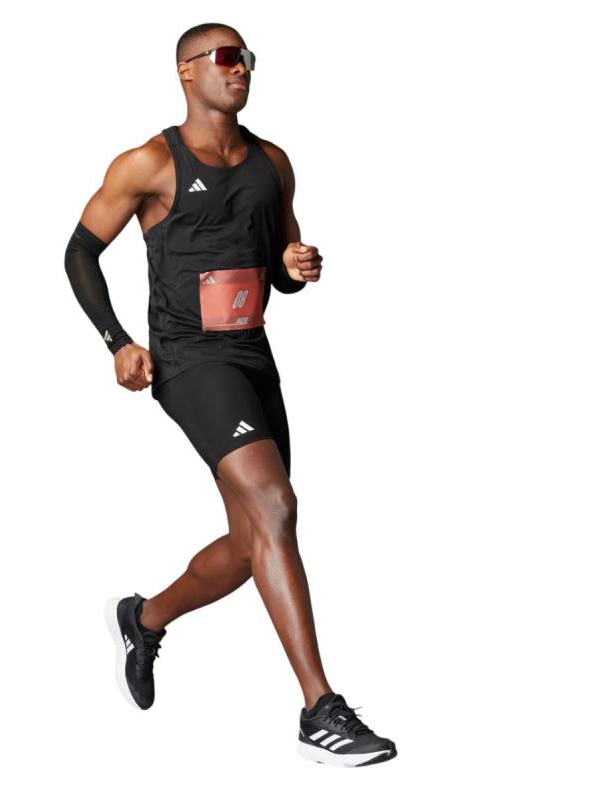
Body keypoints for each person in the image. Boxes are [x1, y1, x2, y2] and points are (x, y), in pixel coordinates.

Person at [65, 23, 397, 768]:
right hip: (187, 360)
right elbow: (80, 251)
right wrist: (118, 342)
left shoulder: (273, 162)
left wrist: (295, 265)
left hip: (252, 356)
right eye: (224, 57)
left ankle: (144, 619)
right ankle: (319, 710)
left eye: (246, 57)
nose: (240, 67)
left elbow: (278, 263)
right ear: (187, 72)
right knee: (276, 505)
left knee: (254, 542)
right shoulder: (150, 162)